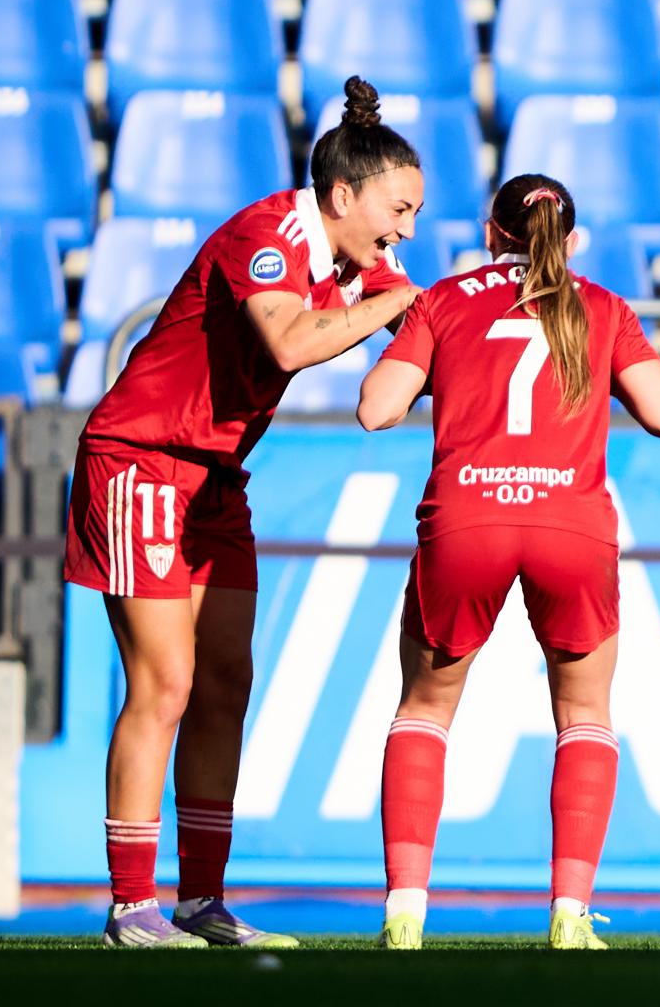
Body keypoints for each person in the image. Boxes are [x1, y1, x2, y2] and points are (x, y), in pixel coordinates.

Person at [63, 77, 425, 948]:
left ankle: (200, 902)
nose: (405, 230)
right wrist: (395, 301)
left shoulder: (361, 261)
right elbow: (293, 342)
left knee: (226, 682)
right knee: (167, 683)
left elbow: (417, 332)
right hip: (142, 460)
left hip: (217, 479)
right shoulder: (266, 236)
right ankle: (129, 908)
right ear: (344, 195)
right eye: (398, 209)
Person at [356, 174, 660, 950]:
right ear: (570, 242)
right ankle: (570, 915)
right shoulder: (602, 307)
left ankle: (405, 911)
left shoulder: (442, 299)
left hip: (465, 515)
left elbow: (376, 409)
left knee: (425, 709)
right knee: (583, 716)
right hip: (569, 527)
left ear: (489, 232)